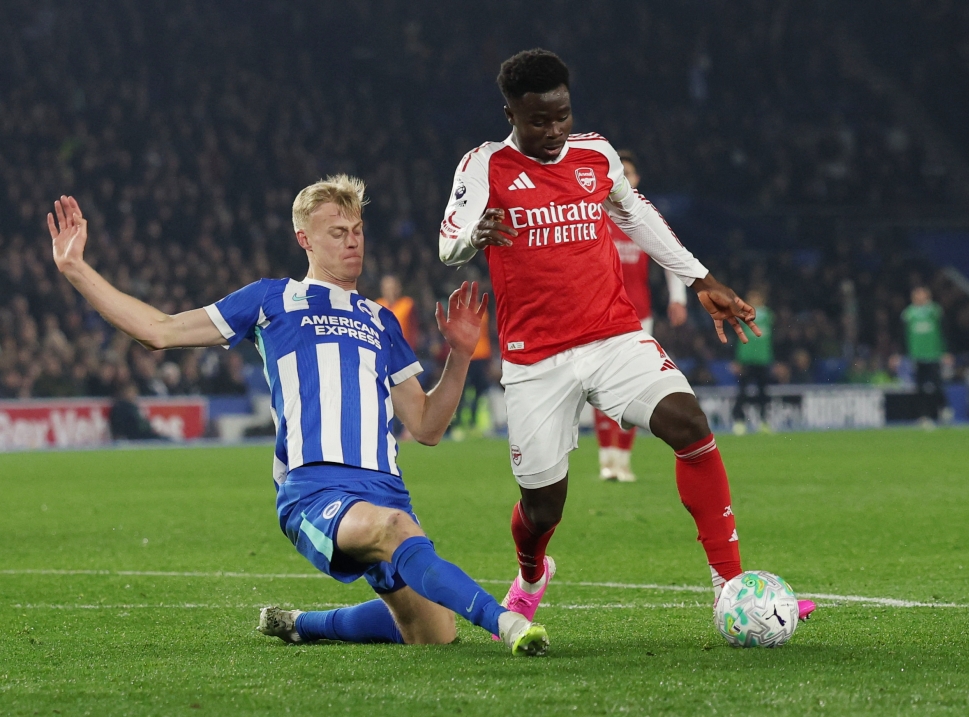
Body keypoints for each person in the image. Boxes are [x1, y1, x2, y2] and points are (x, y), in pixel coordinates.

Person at [48, 181, 549, 656]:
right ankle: (510, 624)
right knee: (395, 530)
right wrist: (76, 270)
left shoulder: (381, 320)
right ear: (304, 238)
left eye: (357, 232)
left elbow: (427, 426)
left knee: (432, 634)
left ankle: (300, 624)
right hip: (315, 491)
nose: (353, 243)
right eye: (338, 233)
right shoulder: (270, 300)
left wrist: (459, 355)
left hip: (387, 489)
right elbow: (158, 329)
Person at [438, 49, 815, 626]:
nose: (554, 130)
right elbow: (449, 244)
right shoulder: (483, 166)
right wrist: (473, 237)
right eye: (538, 120)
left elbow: (634, 213)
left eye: (562, 114)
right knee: (543, 507)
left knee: (690, 425)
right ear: (510, 112)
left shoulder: (595, 153)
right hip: (535, 357)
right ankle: (532, 572)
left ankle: (729, 583)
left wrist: (699, 278)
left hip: (613, 334)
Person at [595, 149, 689, 482]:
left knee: (634, 388)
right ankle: (607, 459)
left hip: (640, 316)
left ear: (636, 179)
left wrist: (678, 298)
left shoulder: (641, 217)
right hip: (600, 316)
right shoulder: (596, 216)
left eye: (631, 174)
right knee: (602, 389)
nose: (626, 179)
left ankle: (622, 460)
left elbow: (669, 254)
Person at [901, 286, 947, 428]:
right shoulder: (908, 314)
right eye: (917, 296)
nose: (919, 298)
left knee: (937, 385)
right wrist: (902, 354)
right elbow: (903, 336)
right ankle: (924, 416)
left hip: (933, 355)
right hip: (917, 356)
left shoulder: (935, 311)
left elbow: (944, 331)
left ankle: (944, 410)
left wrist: (945, 351)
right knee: (919, 388)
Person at [731, 288, 774, 435]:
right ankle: (739, 422)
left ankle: (764, 422)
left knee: (763, 393)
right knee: (742, 392)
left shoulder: (768, 315)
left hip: (762, 360)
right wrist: (737, 360)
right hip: (746, 360)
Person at [376, 275, 420, 350]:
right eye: (387, 289)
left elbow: (414, 329)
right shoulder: (377, 305)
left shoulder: (407, 304)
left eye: (393, 288)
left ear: (399, 288)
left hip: (404, 349)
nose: (391, 292)